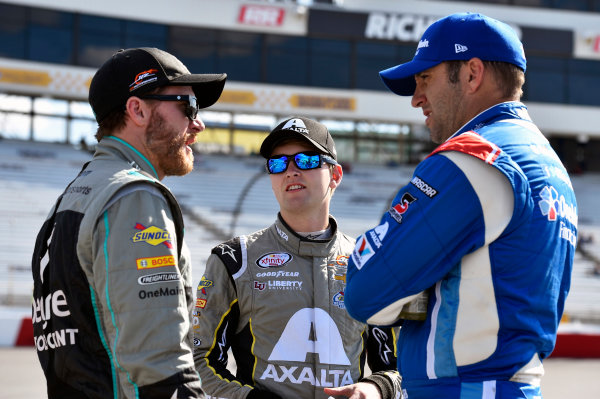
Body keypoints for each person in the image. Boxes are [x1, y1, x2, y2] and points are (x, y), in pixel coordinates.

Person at [342, 12, 578, 399]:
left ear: (472, 73)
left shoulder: (471, 158)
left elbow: (366, 293)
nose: (417, 98)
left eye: (425, 79)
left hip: (465, 388)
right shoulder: (551, 166)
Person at [31, 47, 226, 398]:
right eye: (188, 107)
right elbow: (159, 365)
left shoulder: (73, 197)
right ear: (136, 109)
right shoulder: (133, 196)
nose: (198, 124)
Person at [192, 117, 402, 399]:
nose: (290, 171)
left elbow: (400, 368)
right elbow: (197, 360)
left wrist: (374, 388)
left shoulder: (369, 264)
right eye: (278, 164)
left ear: (336, 175)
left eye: (306, 160)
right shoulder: (234, 260)